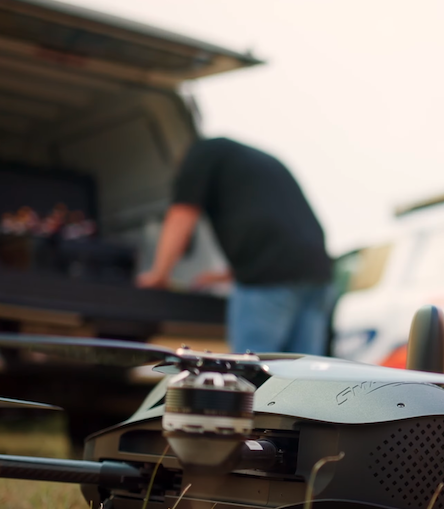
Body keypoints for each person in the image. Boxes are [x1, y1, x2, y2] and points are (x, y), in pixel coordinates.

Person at [136, 137, 333, 356]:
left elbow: (181, 215)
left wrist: (160, 274)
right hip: (318, 272)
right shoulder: (250, 161)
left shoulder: (200, 154)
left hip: (267, 277)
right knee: (304, 370)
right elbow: (275, 224)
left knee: (254, 368)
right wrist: (226, 275)